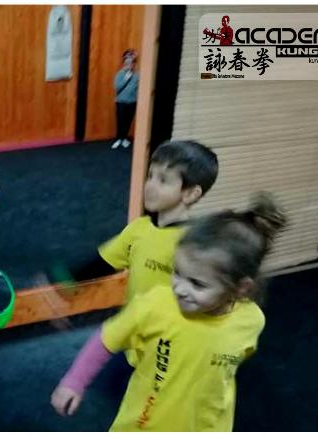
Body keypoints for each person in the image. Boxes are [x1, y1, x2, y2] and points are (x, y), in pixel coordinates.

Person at [51, 192, 286, 431]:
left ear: (240, 288)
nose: (179, 288)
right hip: (145, 424)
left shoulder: (252, 320)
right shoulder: (155, 304)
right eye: (177, 272)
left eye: (197, 284)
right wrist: (74, 382)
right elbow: (106, 338)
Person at [46, 140, 219, 397]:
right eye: (150, 175)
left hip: (170, 348)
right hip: (133, 341)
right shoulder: (139, 229)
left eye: (163, 180)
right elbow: (100, 263)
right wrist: (61, 287)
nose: (150, 185)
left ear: (190, 194)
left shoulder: (194, 244)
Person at [112, 49, 138, 149]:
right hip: (121, 102)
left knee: (128, 121)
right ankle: (118, 139)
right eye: (127, 62)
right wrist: (126, 78)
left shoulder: (137, 75)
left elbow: (138, 88)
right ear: (124, 63)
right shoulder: (119, 74)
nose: (129, 64)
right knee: (120, 121)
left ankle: (124, 138)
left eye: (131, 62)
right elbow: (117, 87)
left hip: (132, 102)